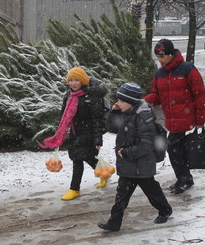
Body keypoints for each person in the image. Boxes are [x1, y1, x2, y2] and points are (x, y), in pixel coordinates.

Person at [98, 82, 172, 232]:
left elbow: (147, 143)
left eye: (120, 101)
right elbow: (111, 127)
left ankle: (165, 210)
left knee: (151, 190)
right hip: (129, 163)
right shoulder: (128, 112)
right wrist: (114, 111)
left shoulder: (143, 116)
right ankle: (114, 222)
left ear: (130, 102)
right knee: (122, 195)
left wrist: (127, 152)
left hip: (141, 164)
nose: (117, 103)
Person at [144, 39, 205, 194]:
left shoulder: (187, 69)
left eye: (162, 56)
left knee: (174, 149)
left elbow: (200, 96)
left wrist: (200, 120)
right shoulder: (160, 73)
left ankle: (184, 179)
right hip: (171, 120)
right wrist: (142, 102)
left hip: (186, 118)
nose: (159, 60)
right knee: (178, 150)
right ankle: (184, 178)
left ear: (171, 54)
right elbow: (156, 95)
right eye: (157, 57)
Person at [39, 67, 107, 200]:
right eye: (71, 80)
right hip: (75, 132)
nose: (73, 83)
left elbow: (98, 119)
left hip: (88, 133)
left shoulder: (91, 96)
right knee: (86, 157)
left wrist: (97, 139)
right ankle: (104, 173)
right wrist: (61, 132)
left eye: (76, 80)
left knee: (78, 159)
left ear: (82, 81)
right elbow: (64, 115)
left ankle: (74, 189)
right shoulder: (69, 95)